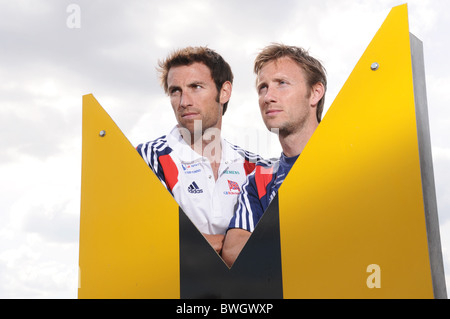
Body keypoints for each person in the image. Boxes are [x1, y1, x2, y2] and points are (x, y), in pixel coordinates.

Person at [137, 47, 261, 254]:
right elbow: (151, 243)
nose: (184, 102)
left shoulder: (255, 166)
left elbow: (271, 245)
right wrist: (229, 246)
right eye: (175, 91)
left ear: (224, 92)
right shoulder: (146, 158)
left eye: (195, 87)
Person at [222, 44, 327, 267]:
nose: (268, 96)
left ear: (315, 93)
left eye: (282, 83)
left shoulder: (354, 159)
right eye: (262, 88)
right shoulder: (258, 181)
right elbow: (233, 250)